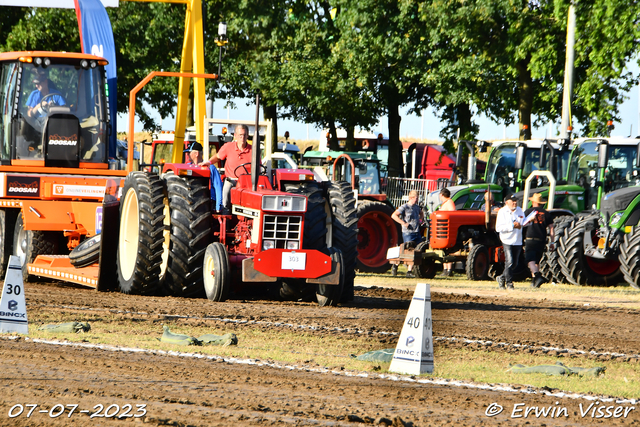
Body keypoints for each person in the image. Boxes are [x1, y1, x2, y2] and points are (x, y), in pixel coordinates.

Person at [199, 124, 252, 213]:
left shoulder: (253, 150)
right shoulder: (228, 147)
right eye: (240, 135)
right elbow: (218, 157)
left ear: (247, 135)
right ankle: (224, 211)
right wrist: (208, 162)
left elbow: (258, 167)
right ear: (235, 136)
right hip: (231, 180)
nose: (242, 137)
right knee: (225, 197)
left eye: (244, 135)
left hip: (247, 182)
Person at [523, 193, 554, 288]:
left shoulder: (528, 211)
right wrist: (552, 242)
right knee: (536, 261)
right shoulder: (546, 213)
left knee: (529, 260)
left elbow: (522, 224)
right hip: (541, 239)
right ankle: (534, 282)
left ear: (533, 202)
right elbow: (551, 228)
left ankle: (537, 276)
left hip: (530, 238)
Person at [495, 194, 525, 290]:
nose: (515, 203)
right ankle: (509, 283)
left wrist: (527, 222)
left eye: (516, 200)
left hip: (517, 240)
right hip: (507, 239)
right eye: (512, 201)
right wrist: (512, 225)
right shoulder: (502, 212)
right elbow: (498, 228)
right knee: (510, 261)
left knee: (514, 264)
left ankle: (501, 277)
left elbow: (523, 222)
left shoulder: (520, 210)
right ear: (507, 202)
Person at [391, 190, 423, 278]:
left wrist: (420, 221)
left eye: (418, 198)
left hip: (416, 232)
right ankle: (395, 265)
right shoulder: (404, 207)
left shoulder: (417, 207)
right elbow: (394, 215)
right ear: (411, 198)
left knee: (416, 251)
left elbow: (421, 214)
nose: (417, 200)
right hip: (408, 232)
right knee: (407, 250)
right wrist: (403, 223)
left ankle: (409, 271)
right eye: (416, 198)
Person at [439, 188, 456, 277]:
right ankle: (445, 269)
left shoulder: (449, 203)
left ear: (441, 195)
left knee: (448, 250)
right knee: (444, 250)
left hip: (447, 230)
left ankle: (449, 270)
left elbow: (452, 213)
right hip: (442, 230)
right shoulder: (445, 203)